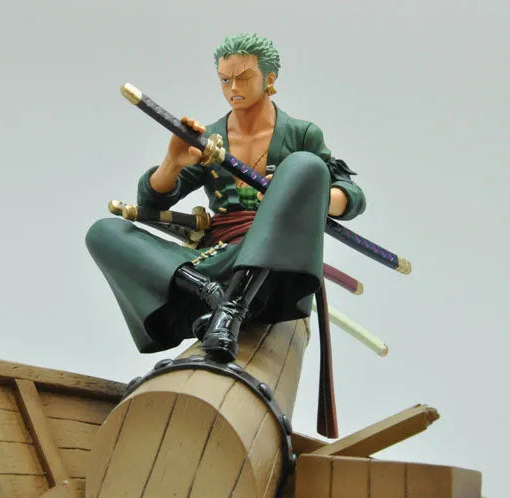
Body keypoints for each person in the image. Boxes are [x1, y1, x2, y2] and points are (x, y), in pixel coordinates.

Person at [86, 32, 366, 362]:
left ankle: (232, 308)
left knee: (306, 165)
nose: (233, 88)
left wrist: (303, 194)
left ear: (269, 79)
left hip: (276, 262)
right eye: (224, 79)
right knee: (104, 231)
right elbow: (151, 205)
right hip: (216, 259)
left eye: (244, 78)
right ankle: (214, 296)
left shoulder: (301, 134)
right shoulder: (211, 138)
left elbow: (352, 196)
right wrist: (172, 162)